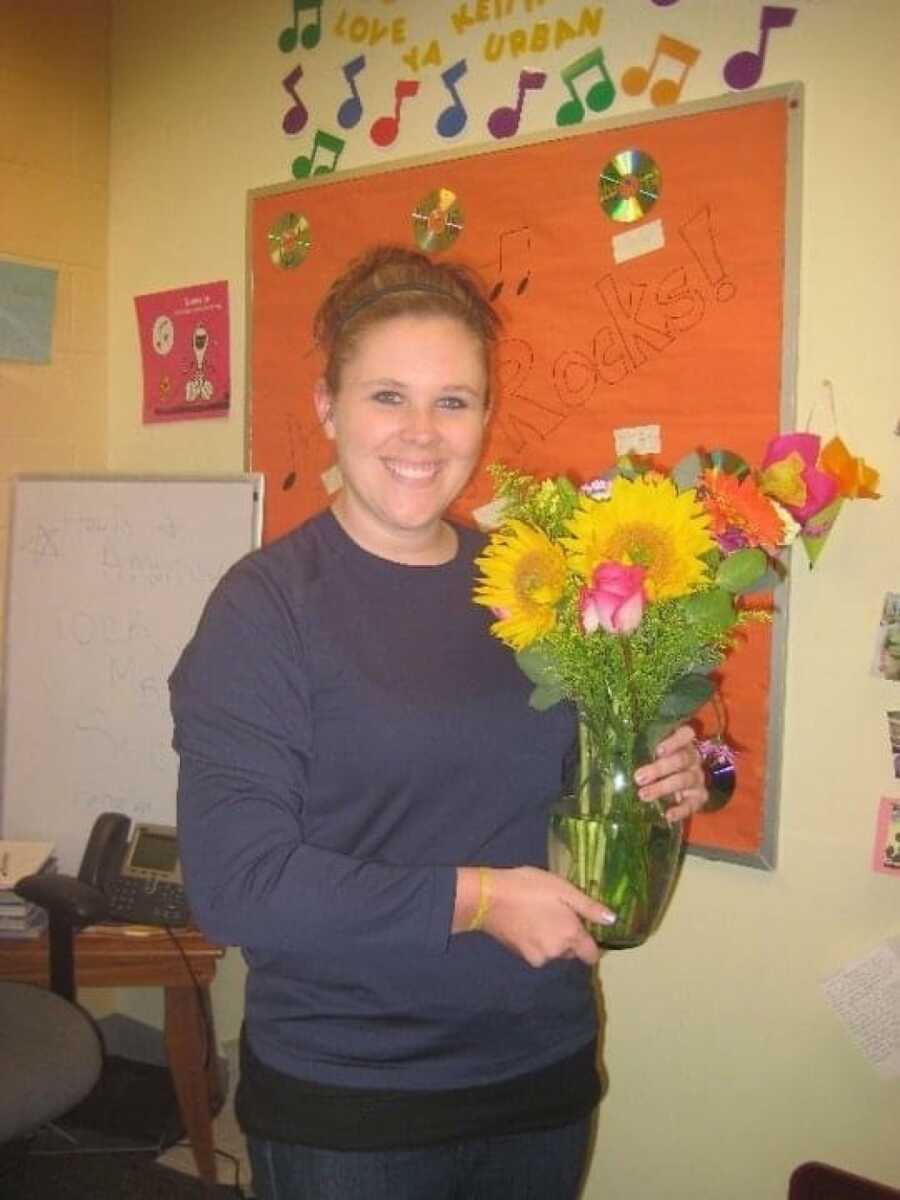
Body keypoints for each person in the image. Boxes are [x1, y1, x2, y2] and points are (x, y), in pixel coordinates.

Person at [169, 245, 707, 1200]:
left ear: (485, 417)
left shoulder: (535, 586)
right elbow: (238, 886)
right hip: (355, 1109)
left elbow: (589, 776)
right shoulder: (266, 609)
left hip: (540, 1077)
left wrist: (681, 770)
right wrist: (485, 901)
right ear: (328, 410)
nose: (421, 433)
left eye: (453, 401)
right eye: (387, 397)